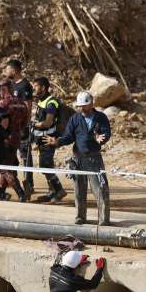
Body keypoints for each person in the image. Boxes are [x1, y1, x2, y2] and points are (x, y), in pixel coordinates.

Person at [44, 91, 111, 225]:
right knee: (79, 190)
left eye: (84, 106)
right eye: (79, 106)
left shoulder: (101, 117)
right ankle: (80, 216)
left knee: (100, 189)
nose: (81, 108)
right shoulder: (75, 118)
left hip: (94, 159)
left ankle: (104, 219)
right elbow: (69, 136)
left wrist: (99, 139)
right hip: (78, 159)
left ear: (91, 104)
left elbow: (106, 133)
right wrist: (58, 141)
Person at [31, 77, 66, 204]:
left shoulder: (51, 102)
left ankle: (59, 190)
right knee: (45, 166)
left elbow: (47, 123)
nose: (34, 88)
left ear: (43, 88)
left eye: (36, 86)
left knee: (46, 165)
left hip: (48, 140)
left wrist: (33, 124)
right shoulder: (42, 101)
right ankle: (52, 191)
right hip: (42, 140)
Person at [4, 59, 34, 197]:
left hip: (22, 126)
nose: (5, 71)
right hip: (12, 127)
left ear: (14, 70)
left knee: (25, 156)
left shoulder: (25, 85)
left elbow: (28, 105)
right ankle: (11, 179)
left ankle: (29, 183)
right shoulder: (10, 84)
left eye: (7, 69)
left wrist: (26, 124)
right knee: (10, 153)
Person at [0, 79, 28, 202]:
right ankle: (1, 193)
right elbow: (25, 122)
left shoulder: (3, 104)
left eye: (0, 89)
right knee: (8, 164)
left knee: (4, 168)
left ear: (3, 89)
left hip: (5, 139)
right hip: (16, 137)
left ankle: (21, 193)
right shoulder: (22, 103)